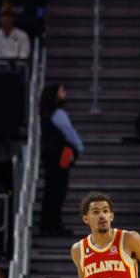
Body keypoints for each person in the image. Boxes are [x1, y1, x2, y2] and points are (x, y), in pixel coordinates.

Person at [39, 84, 84, 236]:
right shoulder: (58, 114)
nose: (65, 93)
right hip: (57, 157)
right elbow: (70, 133)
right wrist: (79, 147)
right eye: (62, 91)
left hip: (50, 156)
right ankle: (52, 224)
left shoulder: (46, 114)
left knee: (52, 190)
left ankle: (49, 224)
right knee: (57, 190)